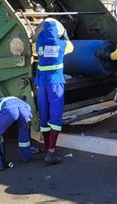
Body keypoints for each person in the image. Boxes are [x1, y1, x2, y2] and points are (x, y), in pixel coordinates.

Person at [34, 18, 74, 164]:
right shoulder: (62, 44)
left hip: (41, 85)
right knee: (55, 117)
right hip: (55, 84)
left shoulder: (38, 44)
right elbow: (72, 47)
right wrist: (64, 34)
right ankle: (51, 152)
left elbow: (33, 46)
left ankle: (46, 149)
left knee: (44, 117)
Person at [0, 96, 33, 172]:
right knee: (24, 133)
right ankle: (26, 157)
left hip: (10, 111)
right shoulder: (10, 99)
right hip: (25, 108)